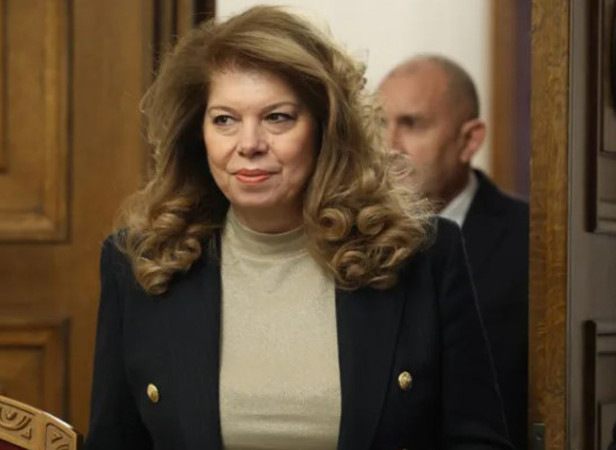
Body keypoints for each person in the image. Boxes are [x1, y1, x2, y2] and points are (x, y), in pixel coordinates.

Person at [85, 6, 512, 449]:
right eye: (225, 119)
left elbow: (477, 441)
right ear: (199, 133)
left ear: (325, 128)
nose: (249, 144)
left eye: (278, 117)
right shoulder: (139, 263)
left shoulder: (423, 255)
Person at [379, 55, 529, 449]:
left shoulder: (534, 242)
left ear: (469, 140)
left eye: (411, 124)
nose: (387, 146)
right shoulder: (342, 237)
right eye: (377, 124)